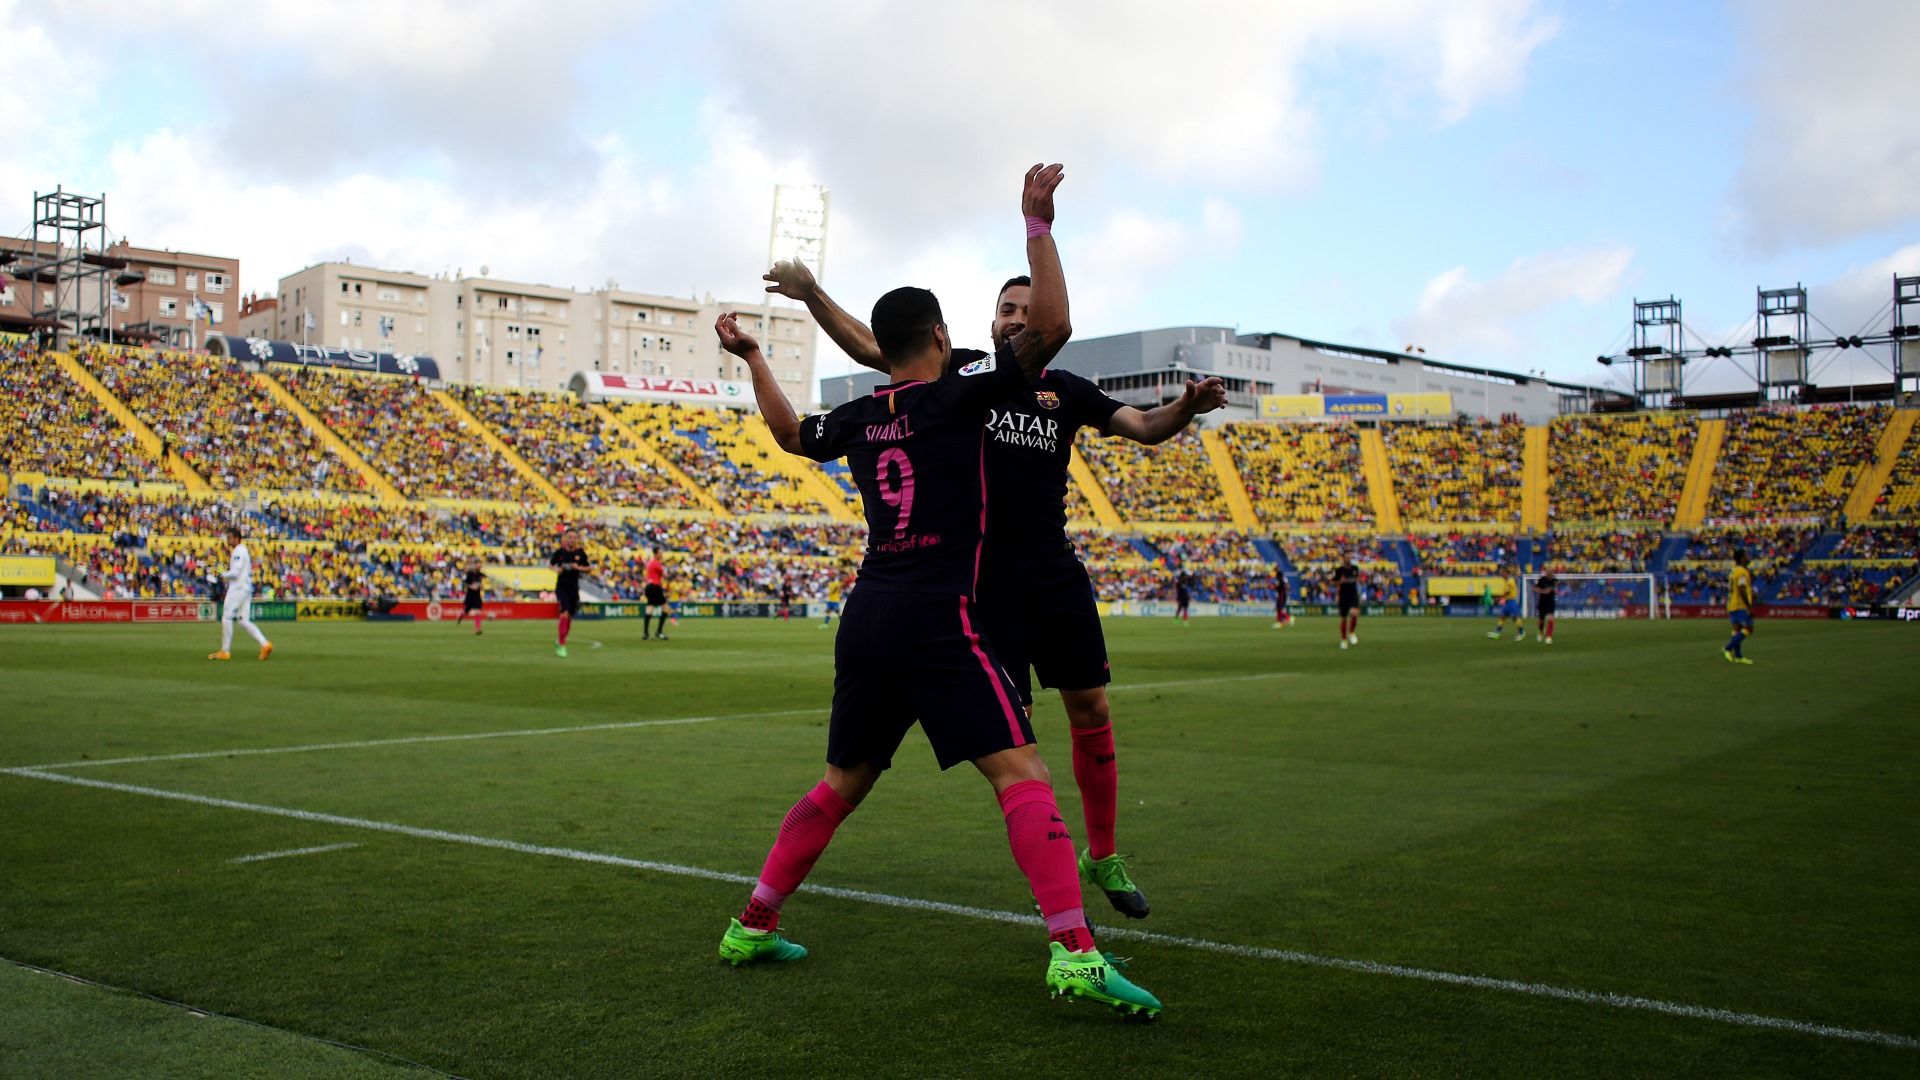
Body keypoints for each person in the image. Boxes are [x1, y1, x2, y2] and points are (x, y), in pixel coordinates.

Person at [711, 164, 1160, 1017]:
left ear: (887, 348)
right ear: (945, 335)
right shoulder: (962, 398)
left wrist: (756, 354)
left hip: (868, 610)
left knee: (843, 780)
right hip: (938, 615)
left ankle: (752, 920)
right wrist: (1036, 222)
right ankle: (1073, 951)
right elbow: (1057, 324)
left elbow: (786, 432)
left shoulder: (860, 414)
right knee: (1022, 772)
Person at [767, 240, 1226, 924]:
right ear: (984, 325)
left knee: (1092, 710)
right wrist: (813, 296)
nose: (1016, 318)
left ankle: (1102, 855)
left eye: (1024, 309)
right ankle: (1057, 897)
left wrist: (1186, 409)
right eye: (1005, 309)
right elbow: (877, 348)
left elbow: (1146, 425)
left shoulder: (1066, 390)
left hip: (1053, 575)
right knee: (1018, 744)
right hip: (979, 586)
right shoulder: (959, 377)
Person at [208, 525, 272, 661]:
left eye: (230, 538)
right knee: (243, 620)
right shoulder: (243, 551)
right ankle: (265, 644)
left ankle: (225, 651)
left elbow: (235, 573)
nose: (227, 540)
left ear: (236, 538)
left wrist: (221, 575)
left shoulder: (238, 551)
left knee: (226, 617)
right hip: (246, 588)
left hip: (238, 588)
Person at [548, 530, 589, 658]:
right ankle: (561, 644)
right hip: (561, 588)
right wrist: (556, 570)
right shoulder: (559, 553)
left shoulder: (580, 553)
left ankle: (560, 640)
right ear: (565, 538)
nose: (572, 539)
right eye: (569, 537)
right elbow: (550, 565)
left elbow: (588, 568)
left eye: (574, 537)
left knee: (570, 617)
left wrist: (579, 568)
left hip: (574, 589)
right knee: (564, 613)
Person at [1724, 549, 1755, 665]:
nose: (1748, 557)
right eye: (1747, 555)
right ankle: (1728, 648)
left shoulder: (1733, 571)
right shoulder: (1742, 571)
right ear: (1742, 558)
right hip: (1740, 605)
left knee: (1737, 630)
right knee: (1749, 628)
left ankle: (1738, 656)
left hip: (1732, 604)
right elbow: (1741, 589)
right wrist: (1749, 607)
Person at [1487, 565, 1524, 641]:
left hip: (1511, 602)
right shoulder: (1507, 581)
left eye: (1502, 573)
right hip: (1507, 602)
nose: (1501, 574)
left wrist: (1498, 599)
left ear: (1506, 573)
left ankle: (1522, 633)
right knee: (1502, 616)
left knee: (1515, 618)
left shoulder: (1510, 581)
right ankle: (1496, 633)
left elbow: (1507, 593)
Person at [1334, 557, 1361, 649]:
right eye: (1346, 556)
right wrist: (1340, 582)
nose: (1348, 558)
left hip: (1353, 594)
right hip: (1343, 595)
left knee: (1354, 613)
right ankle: (1344, 639)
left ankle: (1352, 632)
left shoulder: (1355, 569)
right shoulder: (1339, 570)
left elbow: (1358, 580)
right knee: (1344, 618)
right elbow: (1335, 583)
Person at [643, 550, 669, 641]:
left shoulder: (650, 563)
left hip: (648, 587)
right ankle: (659, 632)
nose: (662, 554)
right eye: (660, 553)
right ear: (656, 554)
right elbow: (664, 575)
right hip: (655, 586)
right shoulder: (656, 564)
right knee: (666, 609)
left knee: (649, 608)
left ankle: (645, 633)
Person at [456, 557, 486, 636]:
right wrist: (472, 586)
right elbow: (465, 583)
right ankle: (461, 615)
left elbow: (481, 583)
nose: (479, 565)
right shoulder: (470, 574)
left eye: (480, 564)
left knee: (478, 612)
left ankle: (477, 629)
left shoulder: (480, 574)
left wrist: (481, 586)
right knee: (466, 611)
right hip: (470, 595)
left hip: (477, 595)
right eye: (478, 564)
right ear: (475, 565)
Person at [1532, 568, 1558, 644]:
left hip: (1550, 602)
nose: (1550, 574)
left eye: (1551, 572)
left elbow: (1555, 588)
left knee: (1551, 619)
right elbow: (1534, 589)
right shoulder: (1542, 580)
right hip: (1542, 602)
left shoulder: (1554, 581)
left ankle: (1548, 637)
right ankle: (1541, 633)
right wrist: (1543, 591)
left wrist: (1550, 590)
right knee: (1541, 620)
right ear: (1546, 573)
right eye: (1548, 572)